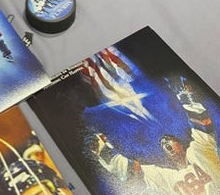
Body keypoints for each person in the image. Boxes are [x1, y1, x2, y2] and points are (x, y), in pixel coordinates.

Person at [91, 78, 220, 193]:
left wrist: (187, 96)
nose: (166, 145)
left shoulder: (198, 150)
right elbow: (133, 170)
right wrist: (103, 150)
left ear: (181, 144)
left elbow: (203, 125)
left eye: (168, 141)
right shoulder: (164, 177)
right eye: (164, 144)